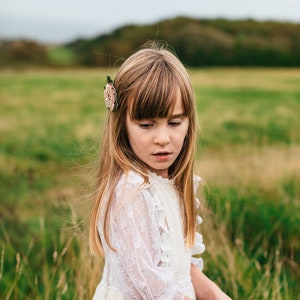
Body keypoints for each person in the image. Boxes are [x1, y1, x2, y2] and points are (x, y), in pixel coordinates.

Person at [89, 42, 231, 299]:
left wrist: (215, 294)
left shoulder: (172, 185)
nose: (163, 138)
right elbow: (153, 290)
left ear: (189, 121)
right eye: (146, 125)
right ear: (122, 125)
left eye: (175, 122)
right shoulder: (130, 194)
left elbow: (180, 268)